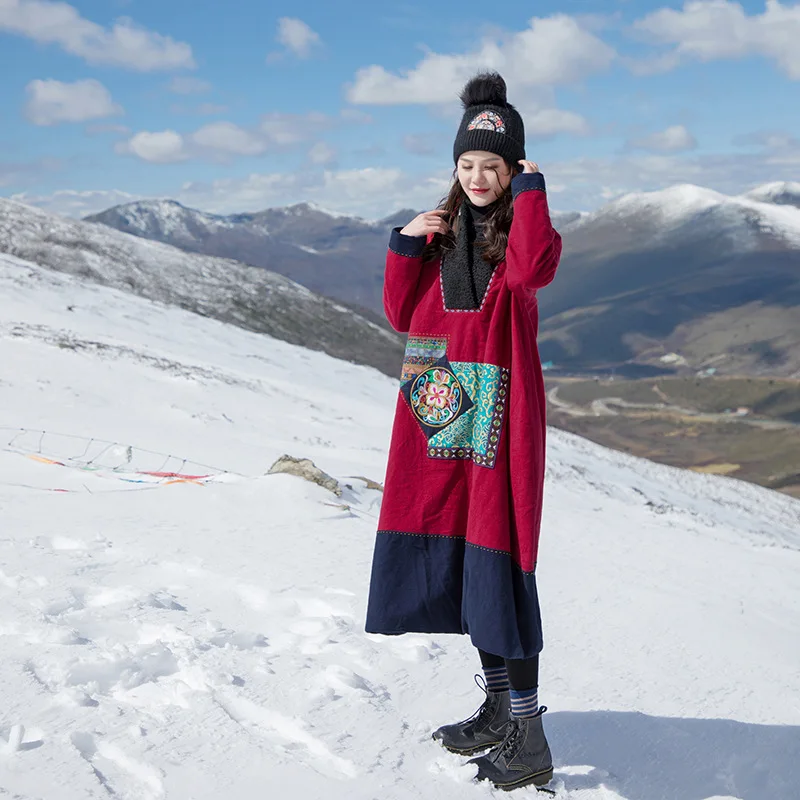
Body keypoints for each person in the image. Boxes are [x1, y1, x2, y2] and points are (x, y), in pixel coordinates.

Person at [365, 71, 562, 792]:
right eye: (468, 164)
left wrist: (535, 193)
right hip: (437, 400)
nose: (478, 176)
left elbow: (533, 271)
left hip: (499, 407)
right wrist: (404, 243)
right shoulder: (442, 230)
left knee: (499, 557)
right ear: (455, 167)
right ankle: (496, 709)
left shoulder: (521, 235)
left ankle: (529, 734)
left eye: (494, 166)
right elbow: (399, 313)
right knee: (458, 558)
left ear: (513, 170)